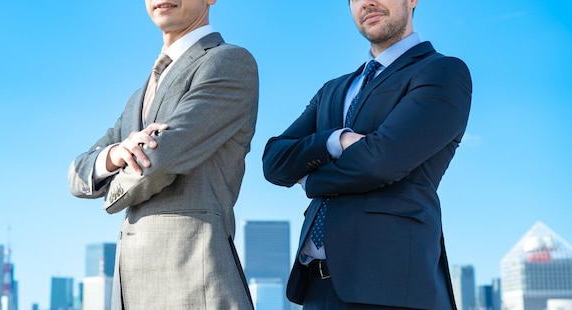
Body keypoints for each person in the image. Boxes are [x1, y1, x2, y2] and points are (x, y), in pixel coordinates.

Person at [262, 0, 472, 309]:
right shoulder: (332, 90)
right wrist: (337, 140)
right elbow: (274, 162)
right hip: (316, 287)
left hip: (392, 286)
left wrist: (308, 181)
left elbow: (380, 162)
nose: (368, 2)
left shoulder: (441, 71)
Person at [67, 0, 258, 308]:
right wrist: (117, 153)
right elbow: (77, 174)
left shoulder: (229, 62)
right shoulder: (137, 97)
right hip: (132, 290)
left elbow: (158, 160)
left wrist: (112, 188)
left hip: (195, 284)